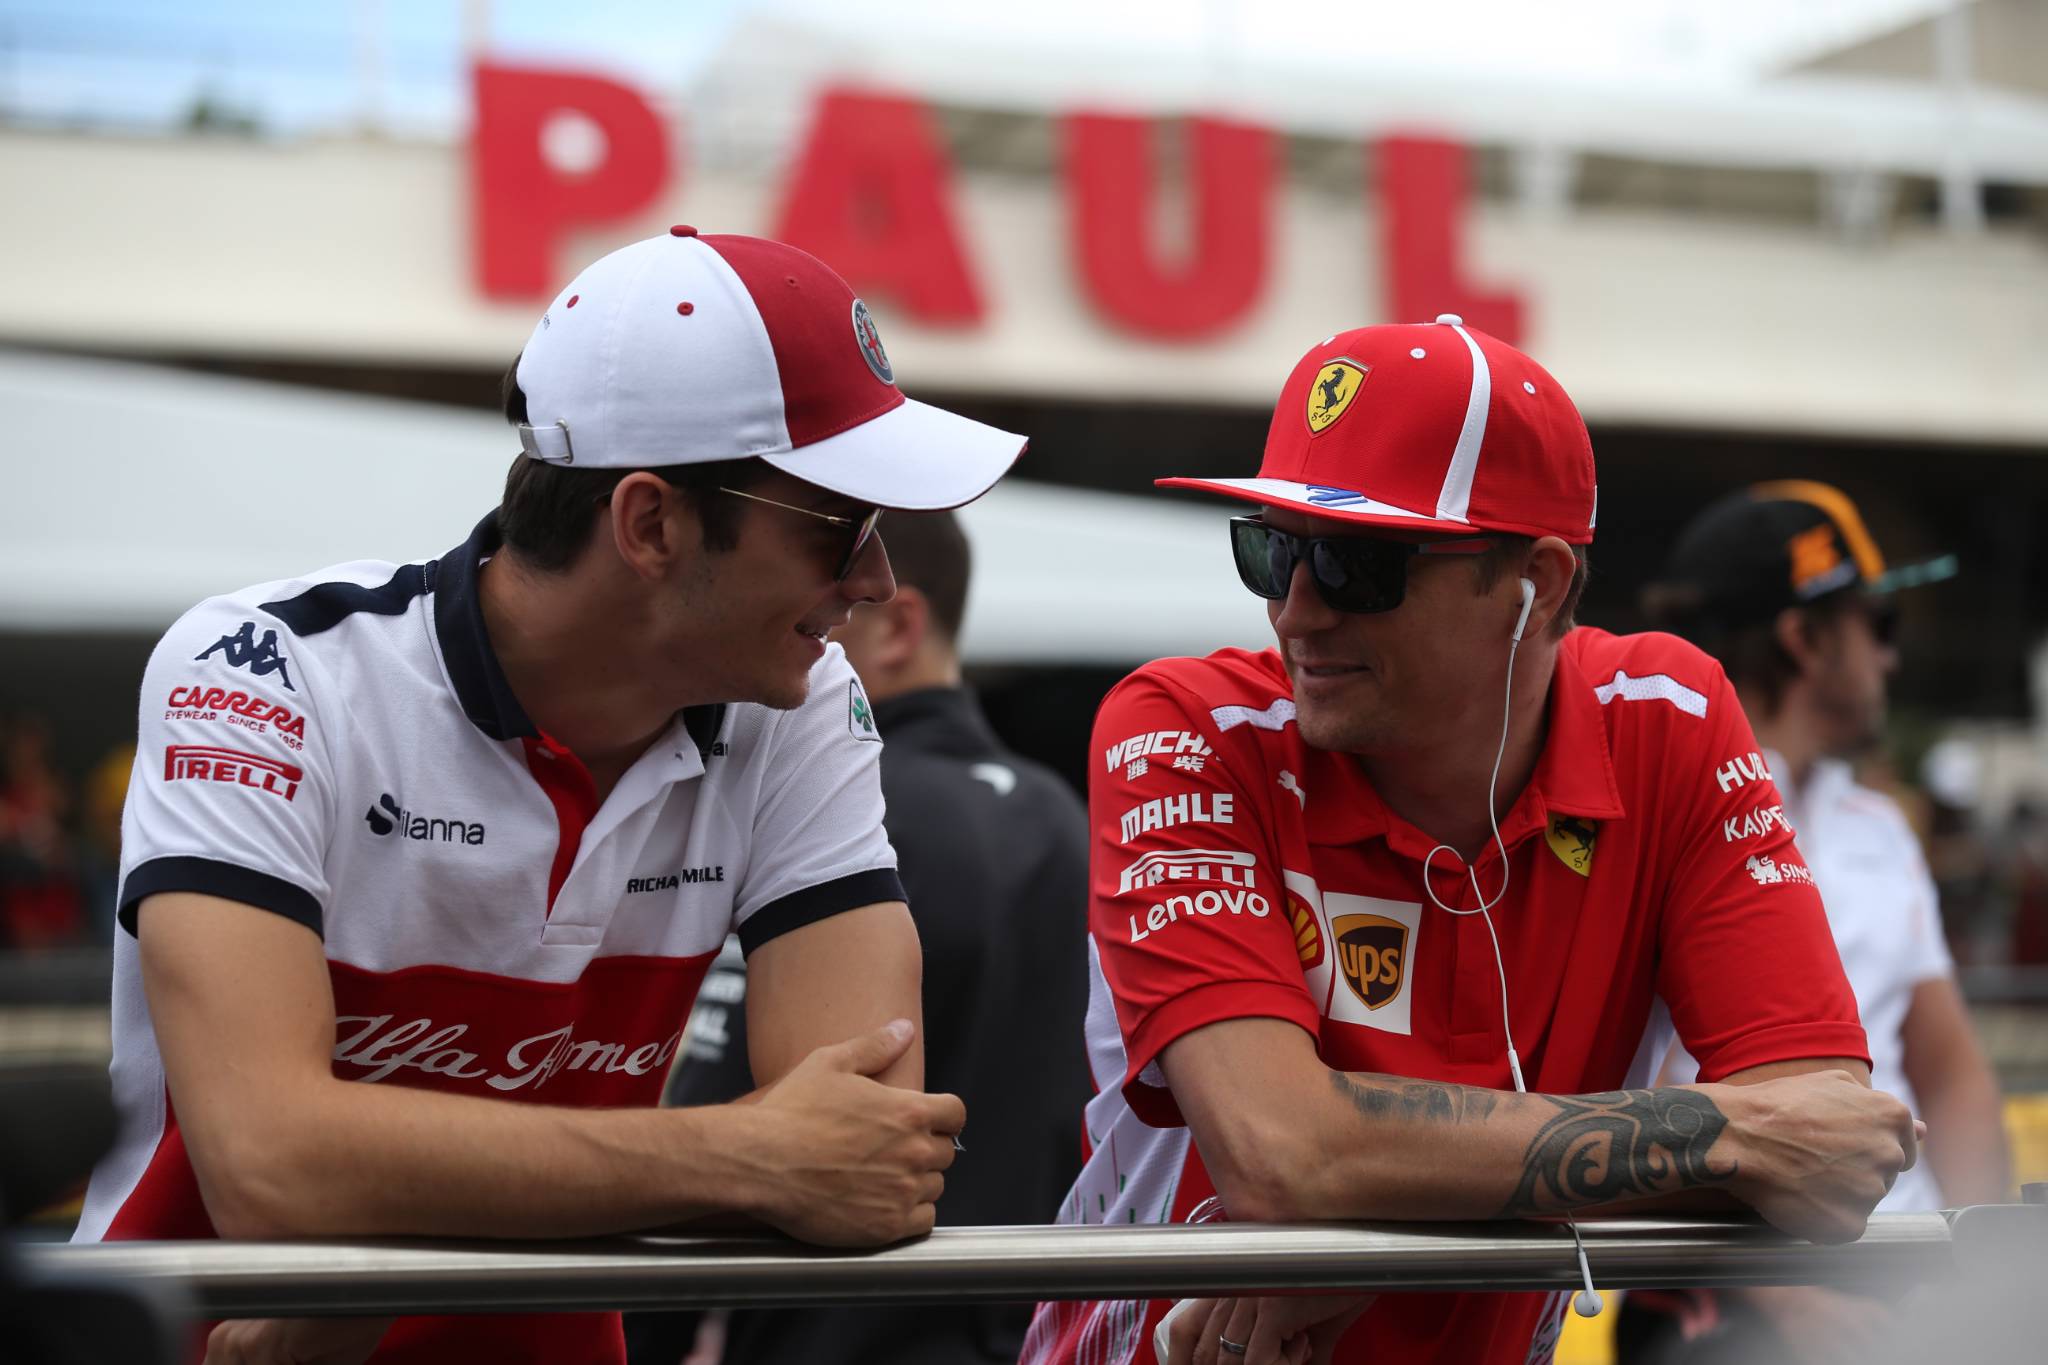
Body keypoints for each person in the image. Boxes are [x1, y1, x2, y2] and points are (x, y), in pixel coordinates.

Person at [70, 227, 1027, 1365]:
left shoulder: (802, 702)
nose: (874, 580)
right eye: (841, 525)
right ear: (650, 525)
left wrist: (365, 1226)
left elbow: (868, 1163)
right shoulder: (263, 668)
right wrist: (747, 1156)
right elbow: (273, 1164)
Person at [1018, 315, 1923, 1365]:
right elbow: (1280, 1156)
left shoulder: (1666, 715)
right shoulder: (1184, 727)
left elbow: (1826, 1144)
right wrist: (1721, 1136)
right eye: (1269, 550)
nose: (1295, 612)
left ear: (1533, 583)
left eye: (1356, 565)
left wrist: (1366, 1215)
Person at [629, 509, 1092, 1365]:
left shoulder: (841, 816)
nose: (818, 633)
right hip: (1025, 1325)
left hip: (836, 1324)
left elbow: (716, 1131)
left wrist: (643, 1338)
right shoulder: (1065, 818)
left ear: (902, 624)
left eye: (830, 616)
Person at [1617, 482, 2010, 1365]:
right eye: (1881, 625)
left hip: (1907, 1295)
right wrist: (1787, 1299)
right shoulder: (1644, 817)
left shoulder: (1878, 824)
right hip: (1723, 1310)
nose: (1891, 660)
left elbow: (1950, 1076)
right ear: (1803, 639)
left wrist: (1993, 1280)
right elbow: (1626, 1099)